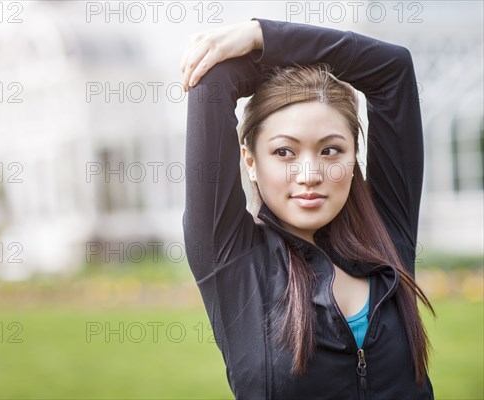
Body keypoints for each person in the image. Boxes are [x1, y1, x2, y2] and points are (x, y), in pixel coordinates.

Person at [180, 19, 436, 399]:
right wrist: (269, 45)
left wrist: (259, 37)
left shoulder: (386, 236)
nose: (310, 174)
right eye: (284, 152)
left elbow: (393, 70)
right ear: (250, 161)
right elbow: (214, 79)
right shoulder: (232, 257)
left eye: (331, 150)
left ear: (354, 156)